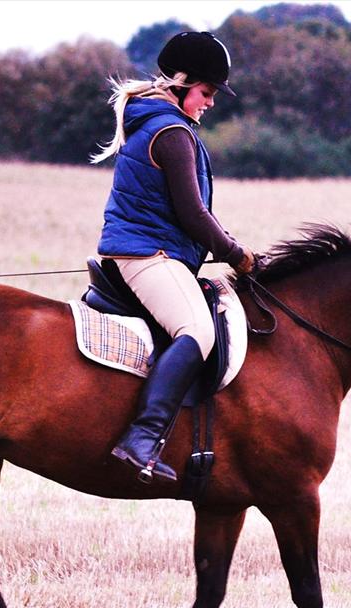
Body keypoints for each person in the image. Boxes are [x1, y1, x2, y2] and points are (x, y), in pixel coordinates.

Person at [91, 31, 256, 483]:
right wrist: (236, 253)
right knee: (197, 329)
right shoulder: (171, 132)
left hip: (147, 251)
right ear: (180, 83)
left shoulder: (158, 123)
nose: (210, 103)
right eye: (206, 93)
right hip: (150, 255)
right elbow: (193, 214)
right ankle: (142, 438)